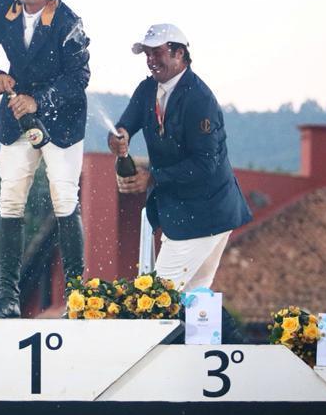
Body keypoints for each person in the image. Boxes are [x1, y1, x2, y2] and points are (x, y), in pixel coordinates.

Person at [0, 0, 91, 318]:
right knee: (9, 200)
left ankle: (76, 300)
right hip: (15, 117)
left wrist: (40, 101)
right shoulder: (0, 7)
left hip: (62, 121)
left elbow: (79, 78)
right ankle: (8, 298)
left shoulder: (70, 24)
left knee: (64, 199)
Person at [108, 23, 252, 298]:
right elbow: (123, 125)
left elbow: (205, 164)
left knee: (155, 298)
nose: (150, 61)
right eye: (146, 54)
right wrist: (118, 138)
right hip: (187, 212)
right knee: (193, 301)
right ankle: (230, 339)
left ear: (179, 54)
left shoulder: (199, 99)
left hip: (205, 211)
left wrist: (151, 178)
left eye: (156, 53)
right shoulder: (147, 89)